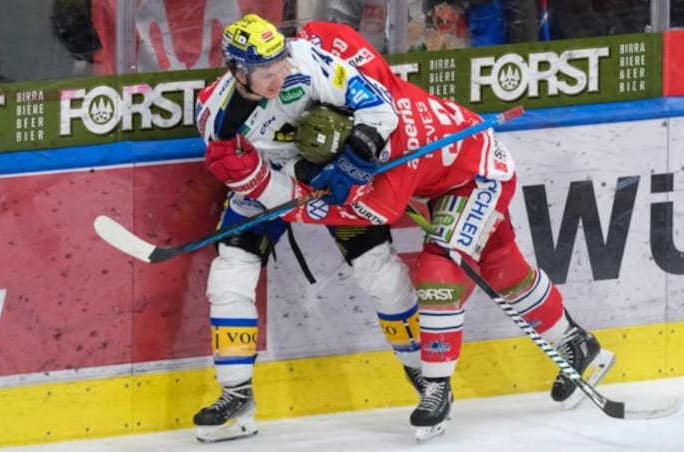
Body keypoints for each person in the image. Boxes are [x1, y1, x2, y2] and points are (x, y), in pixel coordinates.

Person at [206, 17, 615, 440]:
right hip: (425, 169)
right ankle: (576, 343)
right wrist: (264, 178)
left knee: (437, 272)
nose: (280, 76)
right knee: (501, 265)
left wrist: (289, 187)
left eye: (281, 68)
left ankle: (435, 386)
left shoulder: (378, 146)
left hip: (477, 174)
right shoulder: (325, 97)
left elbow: (348, 204)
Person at [192, 14, 425, 443]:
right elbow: (250, 180)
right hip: (269, 185)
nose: (280, 73)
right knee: (229, 275)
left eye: (280, 61)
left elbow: (380, 105)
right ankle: (236, 396)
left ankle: (425, 375)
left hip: (330, 175)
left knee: (379, 269)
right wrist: (284, 191)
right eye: (266, 71)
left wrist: (358, 153)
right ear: (238, 72)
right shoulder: (214, 116)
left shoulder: (305, 60)